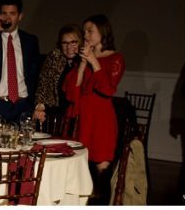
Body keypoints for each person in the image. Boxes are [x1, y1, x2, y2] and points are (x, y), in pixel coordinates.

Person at [62, 15, 125, 196]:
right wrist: (82, 64)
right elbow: (72, 93)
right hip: (81, 118)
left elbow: (107, 89)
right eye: (85, 31)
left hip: (101, 120)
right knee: (79, 170)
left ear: (103, 32)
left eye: (90, 30)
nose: (86, 35)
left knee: (101, 173)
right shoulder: (82, 58)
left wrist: (93, 61)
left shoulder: (116, 58)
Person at [0, 0, 41, 123]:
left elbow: (35, 75)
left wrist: (33, 103)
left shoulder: (30, 41)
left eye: (12, 13)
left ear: (20, 16)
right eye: (4, 13)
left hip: (23, 105)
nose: (8, 18)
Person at [33, 24, 83, 128]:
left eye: (73, 42)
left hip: (79, 114)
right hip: (55, 115)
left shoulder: (85, 61)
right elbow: (43, 84)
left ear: (81, 42)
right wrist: (39, 106)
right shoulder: (55, 57)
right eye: (64, 43)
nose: (69, 47)